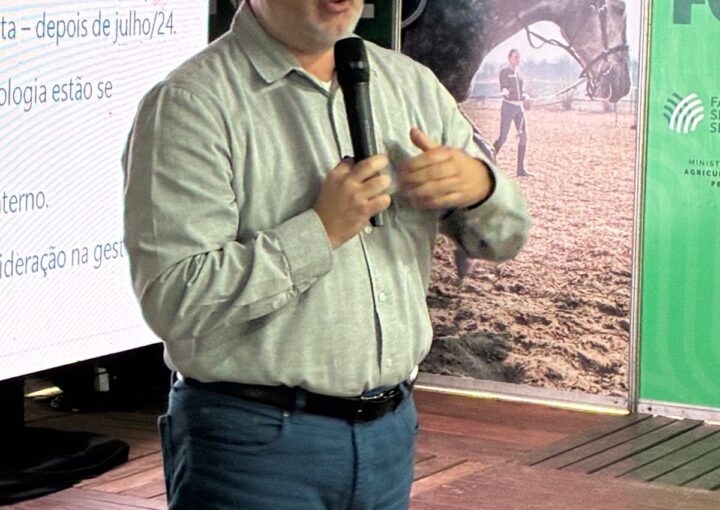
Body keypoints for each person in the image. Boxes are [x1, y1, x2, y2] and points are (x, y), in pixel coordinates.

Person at [122, 1, 530, 509]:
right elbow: (174, 299)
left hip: (390, 435)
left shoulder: (412, 86)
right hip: (253, 448)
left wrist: (480, 188)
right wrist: (320, 231)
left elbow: (508, 237)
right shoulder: (191, 103)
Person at [493, 49, 533, 177]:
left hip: (519, 109)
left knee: (523, 137)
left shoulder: (519, 75)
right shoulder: (504, 72)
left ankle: (521, 169)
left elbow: (522, 91)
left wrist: (525, 96)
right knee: (503, 138)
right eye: (515, 57)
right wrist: (504, 91)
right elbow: (503, 86)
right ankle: (489, 160)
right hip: (508, 107)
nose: (517, 60)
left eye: (518, 57)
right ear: (509, 58)